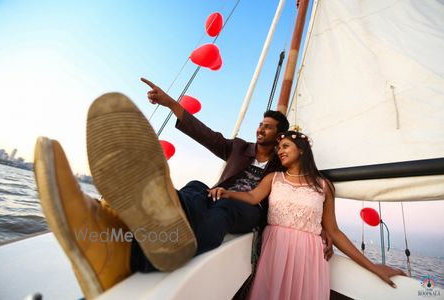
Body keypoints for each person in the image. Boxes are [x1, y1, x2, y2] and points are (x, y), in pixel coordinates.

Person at [33, 80, 332, 299]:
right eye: (260, 124)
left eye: (267, 127)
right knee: (195, 188)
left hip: (247, 209)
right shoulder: (239, 147)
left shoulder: (281, 164)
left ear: (279, 135)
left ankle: (144, 252)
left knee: (223, 211)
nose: (260, 129)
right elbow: (206, 135)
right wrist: (170, 103)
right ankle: (149, 206)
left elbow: (302, 191)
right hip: (217, 196)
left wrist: (322, 229)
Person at [208, 131, 405, 300]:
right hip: (274, 251)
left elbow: (334, 232)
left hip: (309, 258)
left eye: (286, 146)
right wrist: (227, 192)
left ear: (301, 150)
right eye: (279, 148)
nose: (280, 151)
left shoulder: (323, 186)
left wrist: (373, 267)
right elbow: (252, 196)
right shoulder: (273, 178)